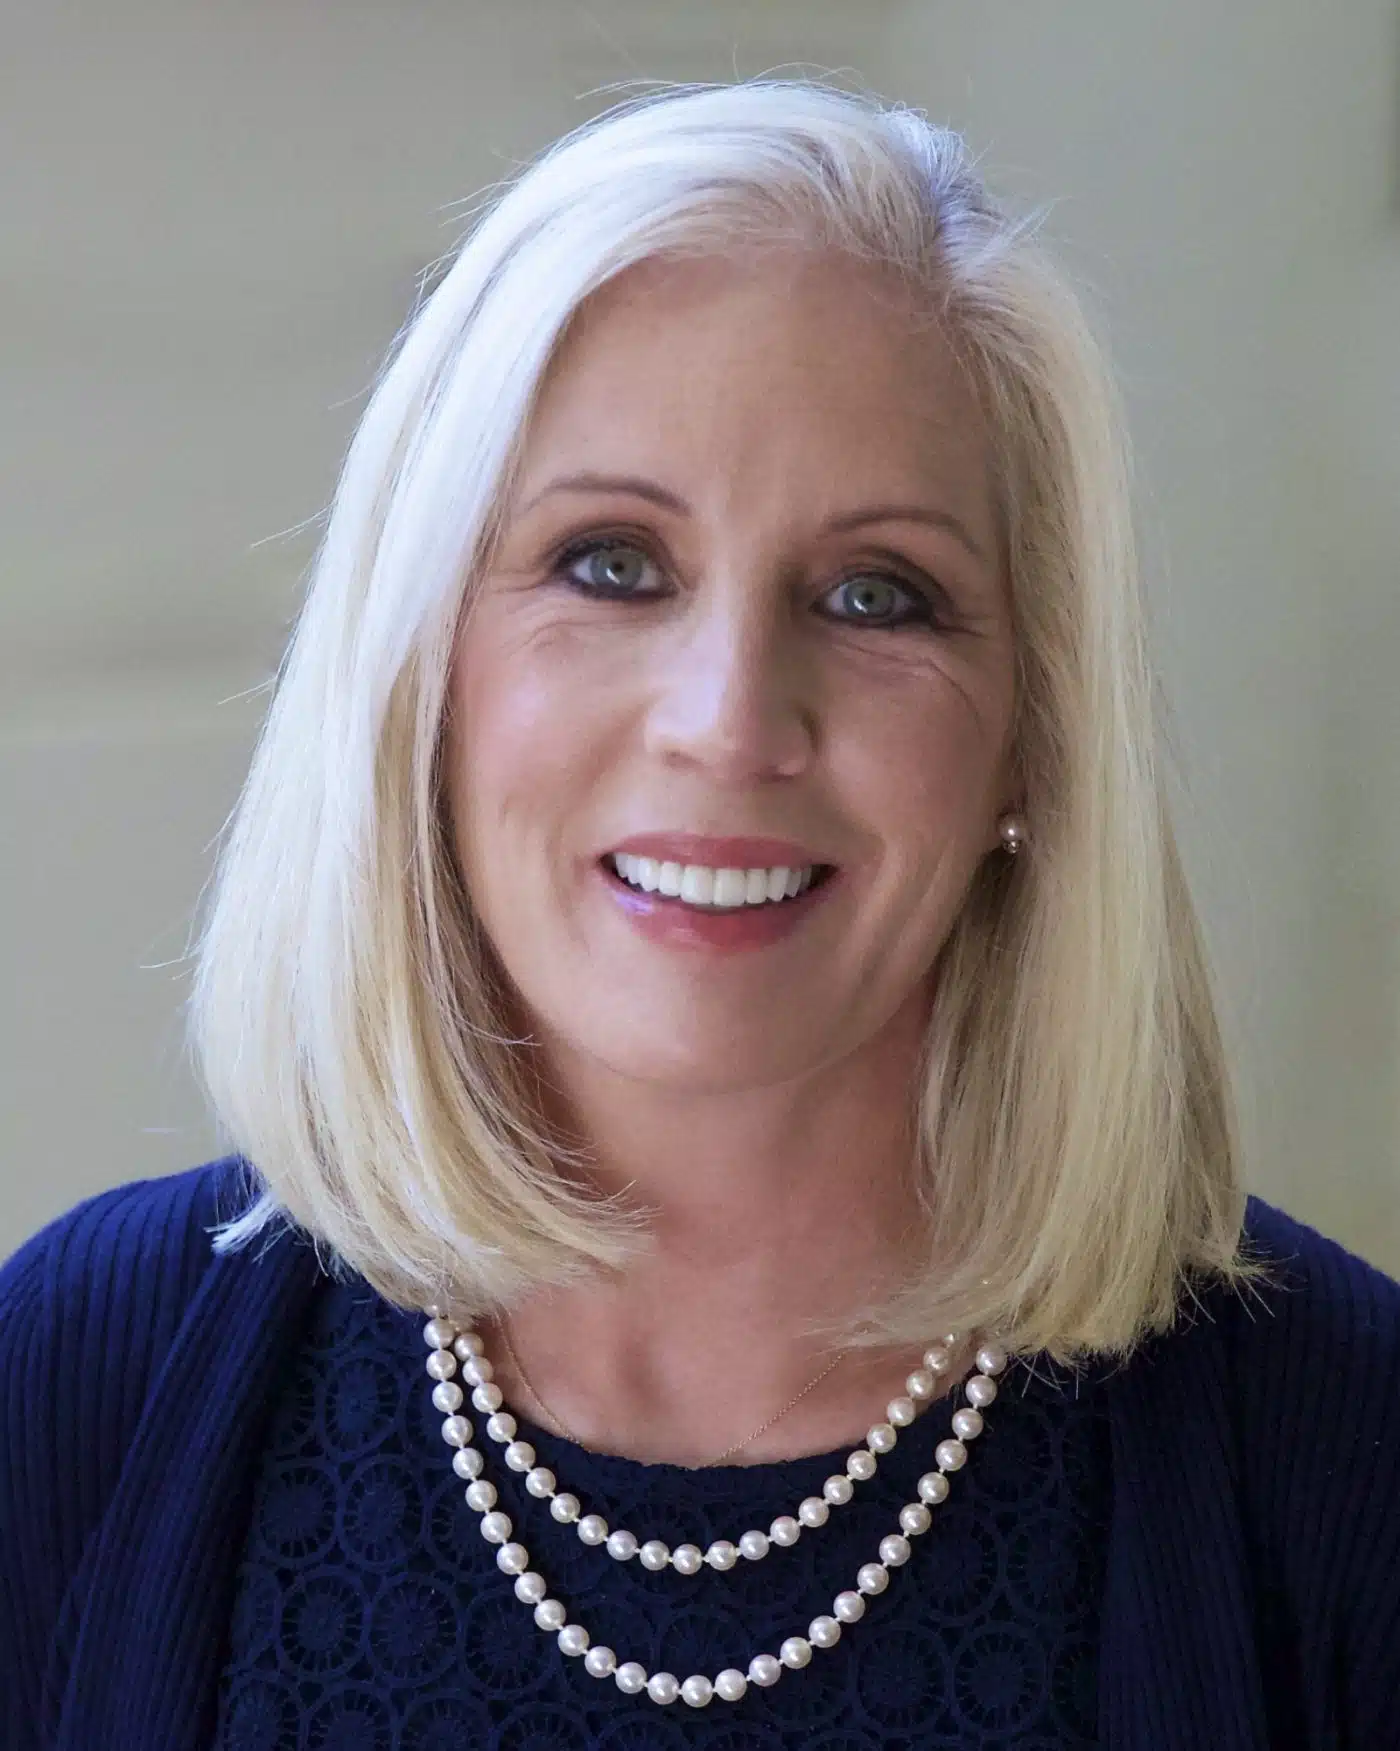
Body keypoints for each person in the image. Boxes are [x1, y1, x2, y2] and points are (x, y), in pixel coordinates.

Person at [2, 78, 1397, 1751]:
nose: (730, 721)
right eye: (610, 563)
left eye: (876, 594)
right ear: (420, 672)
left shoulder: (1344, 1449)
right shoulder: (75, 1385)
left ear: (1035, 737)